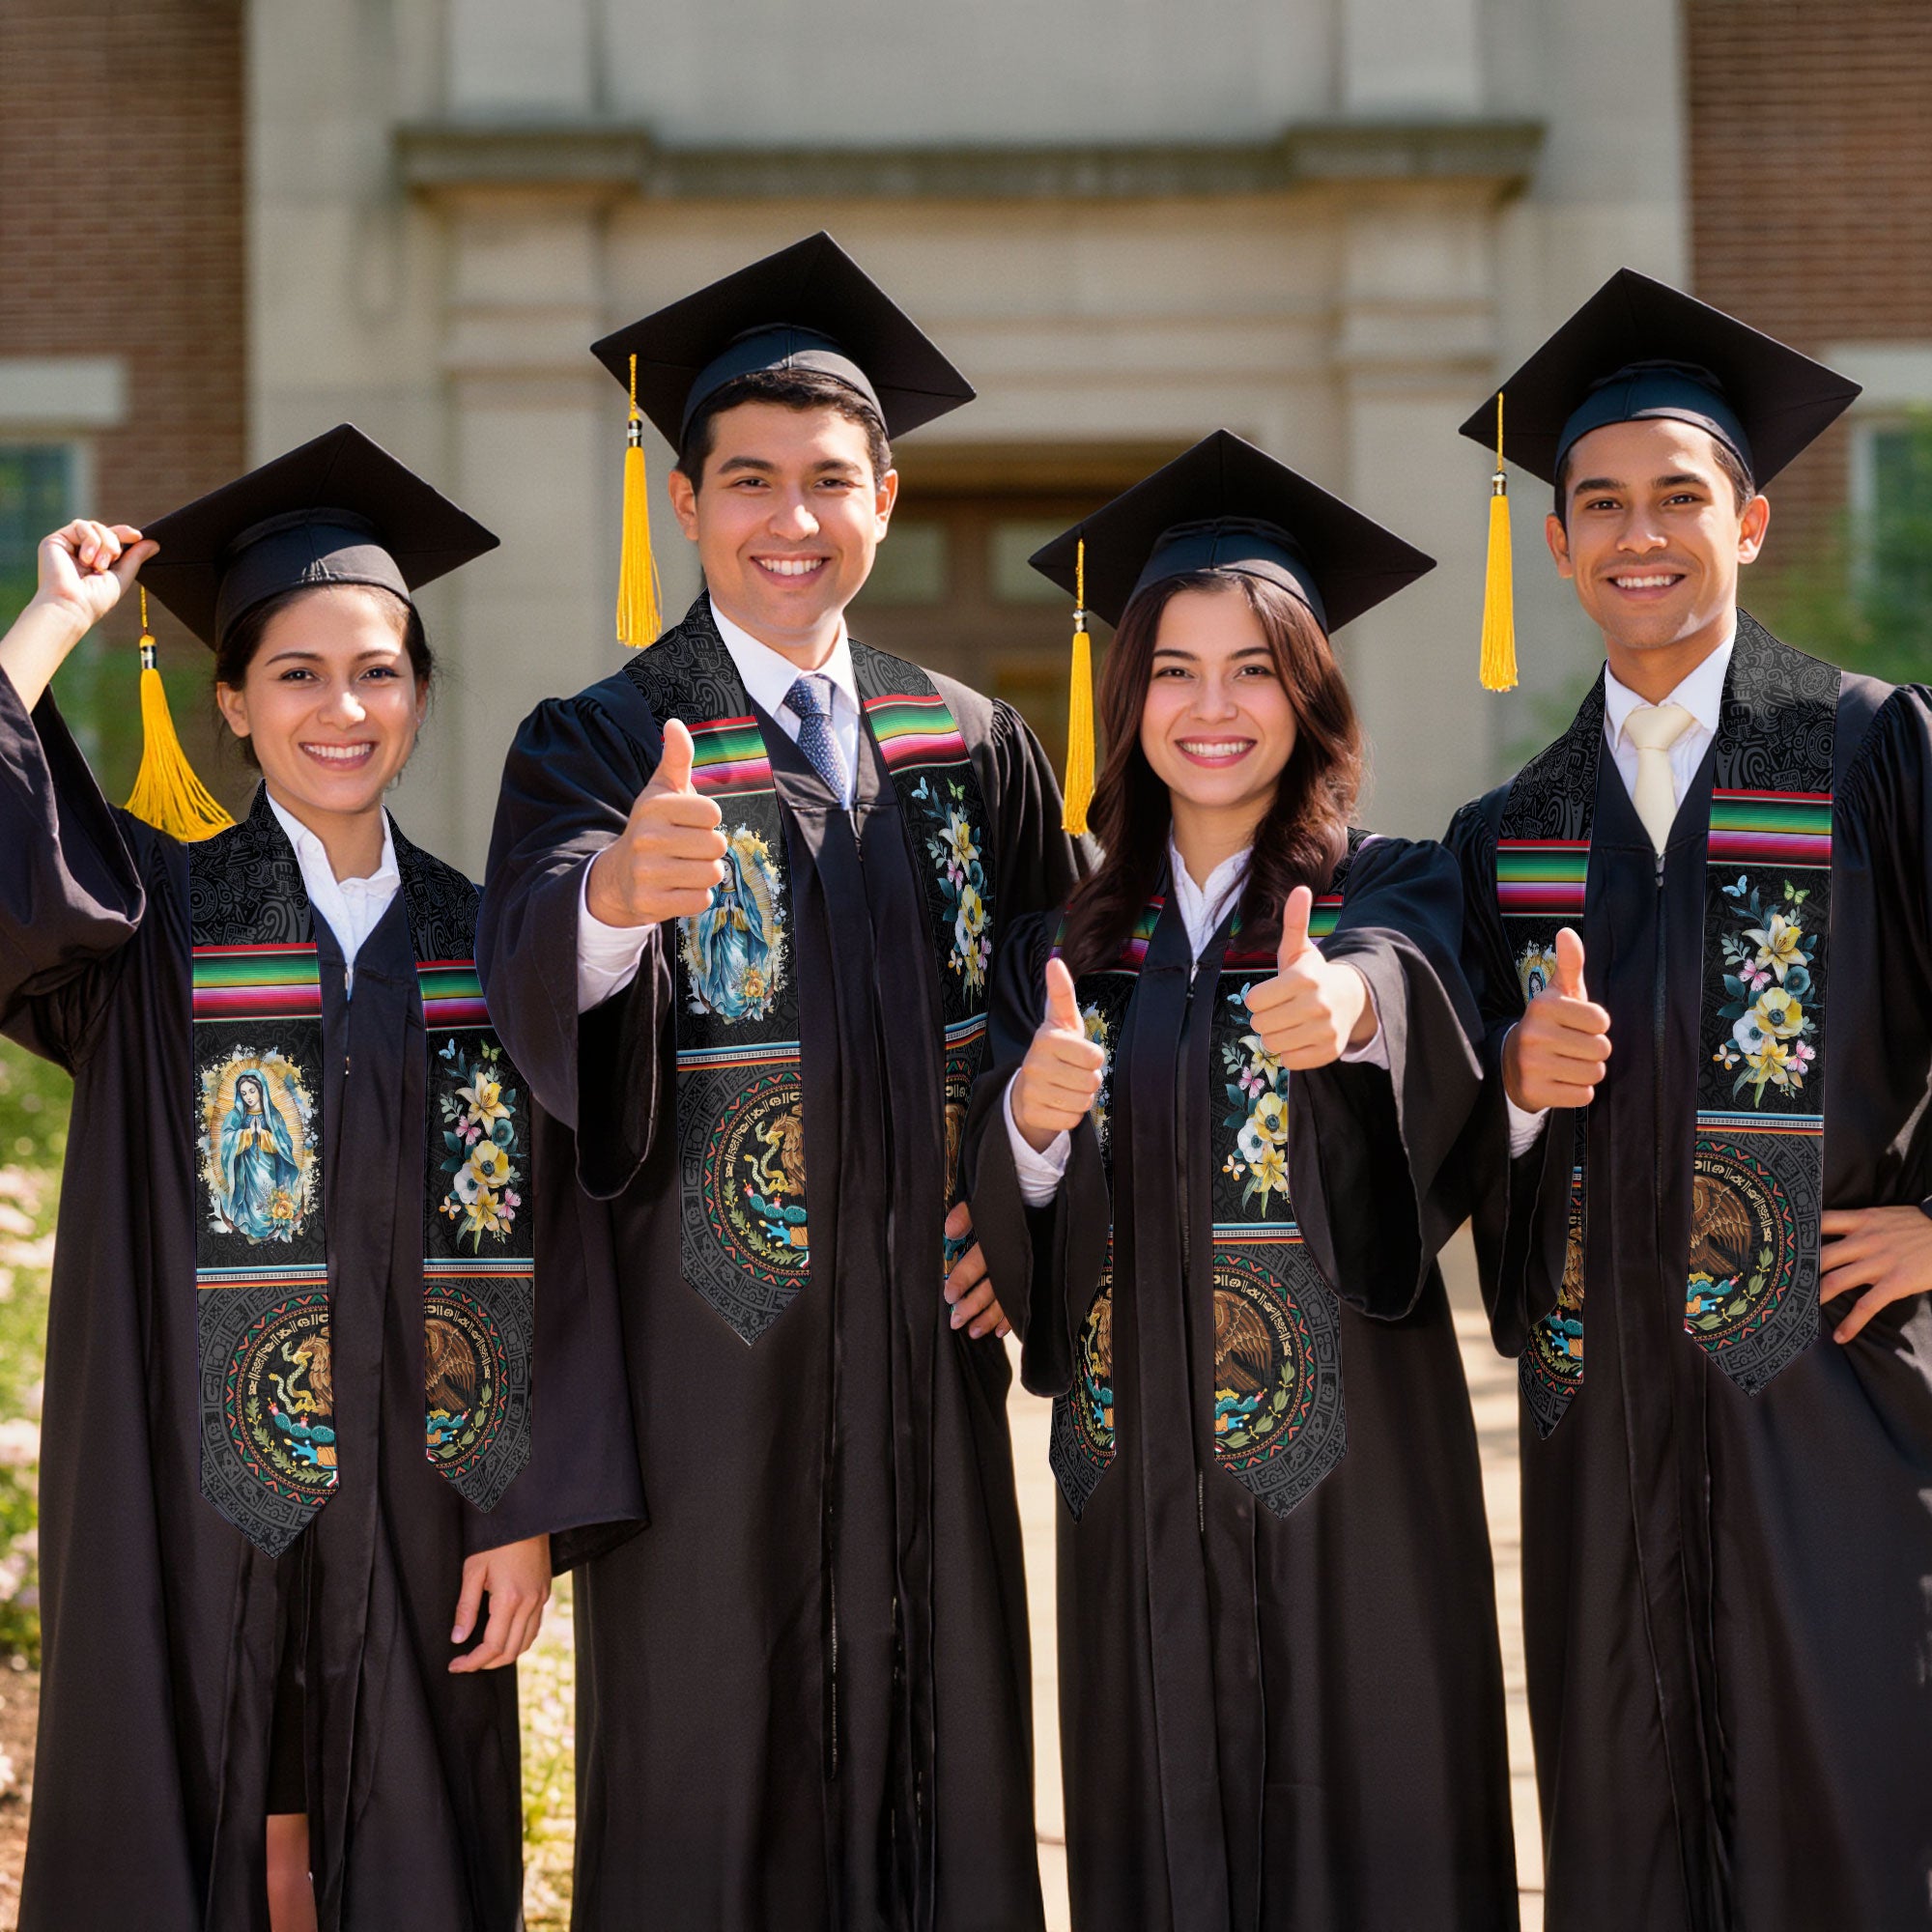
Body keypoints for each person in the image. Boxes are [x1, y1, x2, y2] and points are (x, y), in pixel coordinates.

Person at [478, 233, 1083, 1930]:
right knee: (709, 1782)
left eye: (831, 481)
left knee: (942, 1762)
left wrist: (1024, 1208)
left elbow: (1077, 1003)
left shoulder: (970, 741)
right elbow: (523, 966)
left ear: (886, 496)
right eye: (750, 481)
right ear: (686, 503)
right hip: (709, 1373)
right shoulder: (599, 739)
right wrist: (610, 899)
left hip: (922, 1362)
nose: (791, 519)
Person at [0, 426, 641, 1932]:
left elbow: (566, 1234)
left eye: (378, 670)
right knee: (196, 1815)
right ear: (231, 701)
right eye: (295, 673)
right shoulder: (151, 923)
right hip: (186, 1485)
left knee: (408, 1838)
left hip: (429, 1501)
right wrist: (51, 624)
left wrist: (529, 1508)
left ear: (420, 693)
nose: (340, 708)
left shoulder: (487, 944)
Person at [963, 432, 1518, 1931]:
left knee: (1376, 1826)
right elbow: (1013, 1212)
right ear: (1126, 696)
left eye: (1256, 668)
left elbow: (1414, 992)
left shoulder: (1391, 885)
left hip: (1355, 1478)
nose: (1214, 709)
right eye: (1175, 670)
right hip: (1132, 1477)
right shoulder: (1061, 949)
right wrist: (1027, 1116)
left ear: (1311, 692)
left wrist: (1348, 1013)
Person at [1446, 270, 1932, 1931]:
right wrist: (1511, 1089)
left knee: (1856, 1806)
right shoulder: (1514, 829)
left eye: (1678, 497)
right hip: (1605, 1431)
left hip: (1837, 1410)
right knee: (1625, 1820)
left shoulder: (1869, 751)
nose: (1637, 534)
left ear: (1751, 520)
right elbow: (1444, 1131)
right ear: (1562, 542)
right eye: (1599, 504)